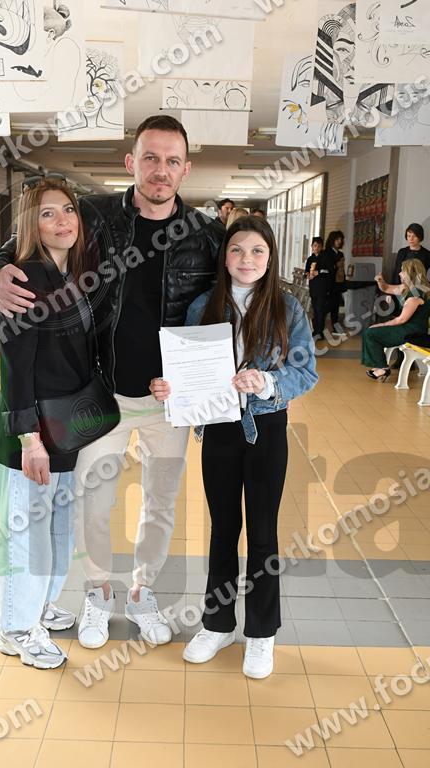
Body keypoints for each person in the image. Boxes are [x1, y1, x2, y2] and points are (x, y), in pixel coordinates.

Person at [0, 115, 223, 649]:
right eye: (151, 158)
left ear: (186, 169)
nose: (160, 170)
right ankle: (97, 592)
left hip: (169, 402)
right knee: (93, 504)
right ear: (131, 162)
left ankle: (142, 591)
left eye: (172, 161)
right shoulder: (93, 216)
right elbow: (25, 238)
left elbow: (237, 294)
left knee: (160, 505)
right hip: (100, 392)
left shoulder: (207, 235)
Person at [150, 216, 317, 678]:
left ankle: (261, 634)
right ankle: (217, 624)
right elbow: (184, 371)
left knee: (262, 533)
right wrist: (169, 389)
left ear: (270, 257)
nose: (247, 259)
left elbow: (306, 371)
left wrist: (267, 382)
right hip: (220, 429)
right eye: (237, 250)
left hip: (266, 429)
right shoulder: (204, 305)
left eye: (257, 251)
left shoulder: (287, 307)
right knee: (223, 530)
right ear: (224, 257)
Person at [0, 178, 96, 668]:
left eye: (68, 210)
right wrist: (29, 440)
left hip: (65, 426)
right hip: (31, 430)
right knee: (27, 535)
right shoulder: (26, 278)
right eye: (48, 213)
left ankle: (40, 607)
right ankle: (15, 627)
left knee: (57, 531)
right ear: (31, 225)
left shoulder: (71, 273)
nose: (62, 221)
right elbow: (15, 365)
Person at [364, 259, 430, 381]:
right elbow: (386, 288)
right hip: (406, 328)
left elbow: (401, 320)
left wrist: (381, 325)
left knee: (370, 333)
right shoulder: (408, 288)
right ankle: (380, 366)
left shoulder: (416, 295)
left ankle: (383, 368)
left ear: (410, 273)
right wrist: (380, 281)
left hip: (412, 332)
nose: (399, 273)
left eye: (402, 271)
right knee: (371, 332)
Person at [324, 230, 347, 336]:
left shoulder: (340, 254)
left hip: (338, 284)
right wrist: (335, 266)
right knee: (327, 307)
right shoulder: (327, 252)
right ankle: (318, 328)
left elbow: (342, 270)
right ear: (332, 240)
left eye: (341, 239)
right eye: (337, 239)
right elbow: (328, 268)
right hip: (329, 284)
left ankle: (336, 329)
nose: (339, 241)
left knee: (335, 308)